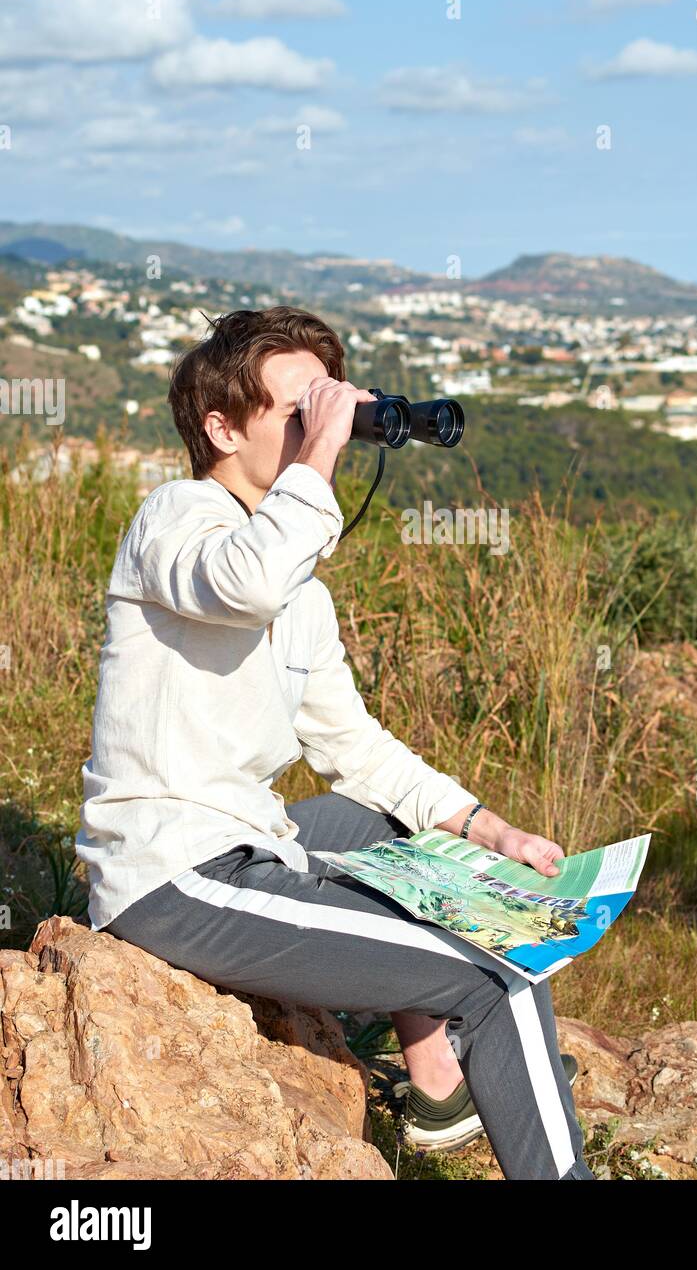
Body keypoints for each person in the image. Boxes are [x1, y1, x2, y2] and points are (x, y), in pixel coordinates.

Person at [75, 306, 595, 1181]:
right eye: (298, 408)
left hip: (254, 841)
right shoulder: (175, 517)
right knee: (496, 964)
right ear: (219, 427)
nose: (325, 426)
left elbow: (355, 745)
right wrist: (319, 455)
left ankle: (437, 1086)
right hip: (174, 875)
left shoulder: (302, 594)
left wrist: (487, 830)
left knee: (405, 838)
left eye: (331, 406)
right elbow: (244, 582)